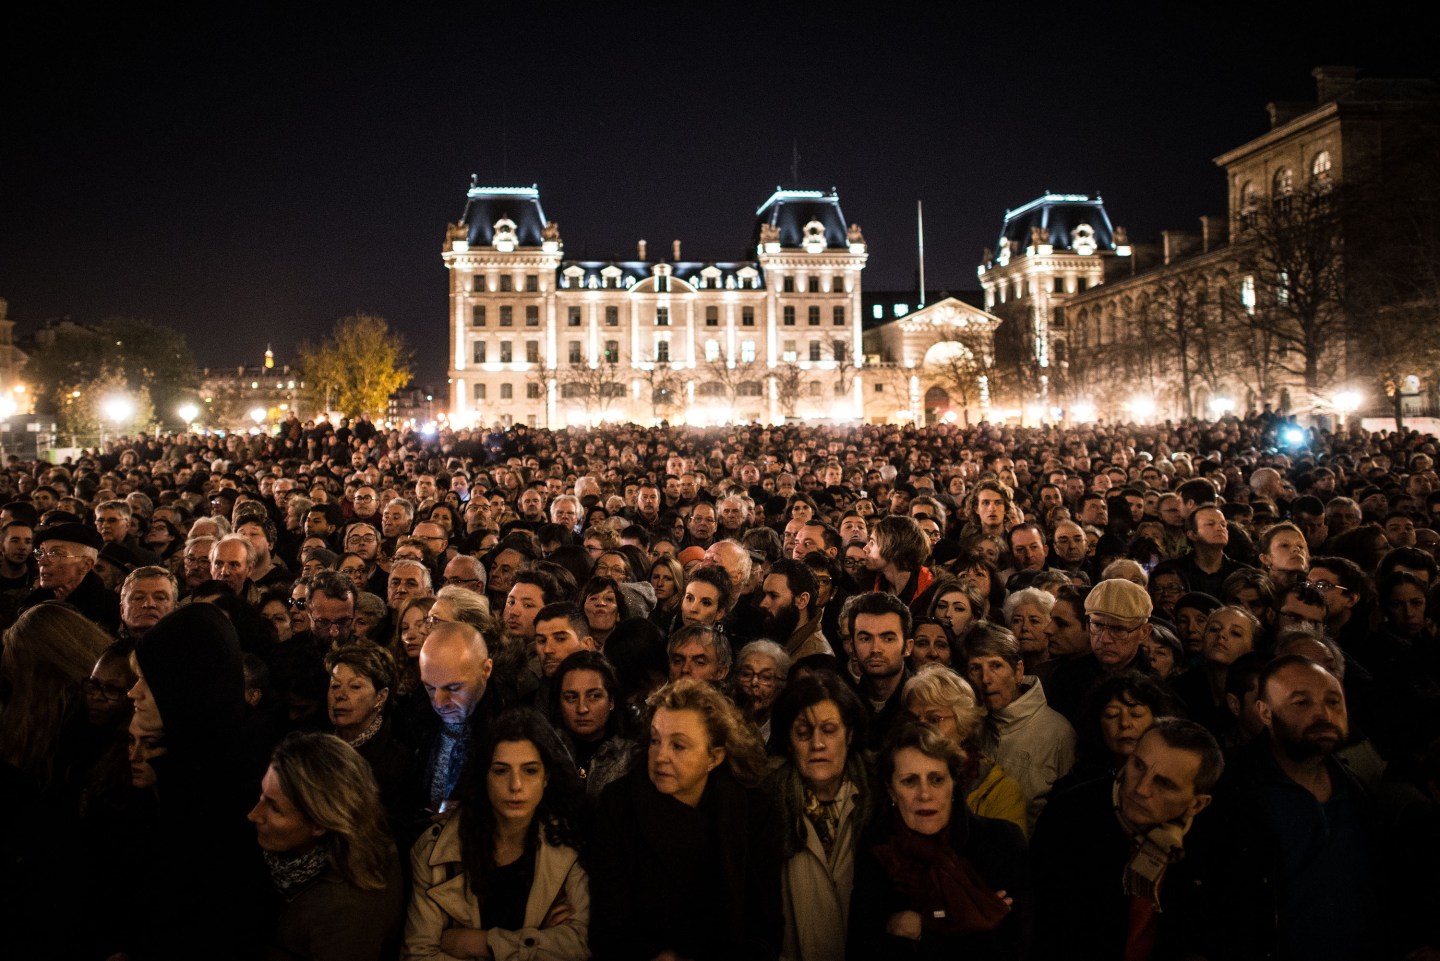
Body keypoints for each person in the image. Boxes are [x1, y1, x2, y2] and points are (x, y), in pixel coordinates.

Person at [590, 678, 782, 961]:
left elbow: (765, 922)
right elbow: (608, 918)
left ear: (713, 757)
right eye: (655, 741)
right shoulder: (619, 805)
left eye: (678, 746)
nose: (661, 757)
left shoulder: (751, 811)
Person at [403, 708, 590, 961]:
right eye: (501, 770)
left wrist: (482, 943)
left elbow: (577, 947)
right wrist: (536, 940)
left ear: (546, 777)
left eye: (530, 770)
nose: (516, 785)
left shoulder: (567, 846)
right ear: (485, 776)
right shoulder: (436, 850)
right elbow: (418, 955)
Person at [1030, 719, 1223, 961]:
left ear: (1197, 804)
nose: (1141, 788)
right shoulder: (1070, 814)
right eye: (1138, 765)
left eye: (1163, 783)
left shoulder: (1215, 843)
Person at [848, 723, 1033, 960]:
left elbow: (1015, 948)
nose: (925, 794)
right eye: (909, 781)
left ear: (953, 784)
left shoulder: (1001, 843)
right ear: (891, 791)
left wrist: (923, 930)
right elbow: (863, 948)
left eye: (936, 779)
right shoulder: (878, 850)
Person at [250, 732, 404, 961]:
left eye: (275, 808)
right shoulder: (306, 853)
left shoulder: (347, 912)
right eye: (262, 796)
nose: (253, 815)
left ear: (320, 823)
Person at [763, 671, 876, 961]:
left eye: (829, 730)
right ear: (789, 741)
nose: (817, 744)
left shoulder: (877, 802)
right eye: (803, 733)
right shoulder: (766, 808)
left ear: (849, 735)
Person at [964, 623, 1076, 829]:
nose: (986, 679)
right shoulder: (966, 726)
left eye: (996, 666)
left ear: (1018, 671)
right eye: (975, 668)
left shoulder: (1058, 734)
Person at [902, 663, 1028, 834]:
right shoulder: (894, 780)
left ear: (963, 726)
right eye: (913, 719)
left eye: (934, 719)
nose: (920, 730)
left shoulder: (999, 791)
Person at [548, 649, 639, 801]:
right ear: (559, 702)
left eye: (594, 696)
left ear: (611, 701)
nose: (582, 708)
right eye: (571, 698)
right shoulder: (545, 752)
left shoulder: (632, 758)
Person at [734, 639, 791, 742]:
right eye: (747, 674)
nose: (754, 682)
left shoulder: (787, 731)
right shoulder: (724, 722)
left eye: (766, 677)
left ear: (782, 684)